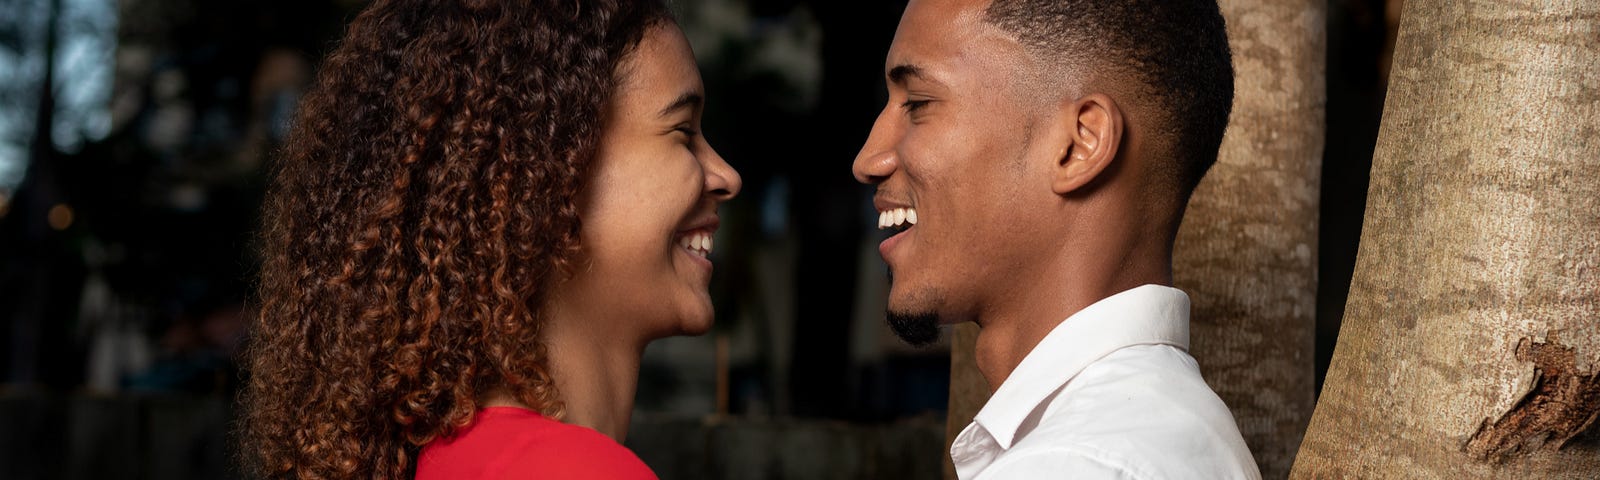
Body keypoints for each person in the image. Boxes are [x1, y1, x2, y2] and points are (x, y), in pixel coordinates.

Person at [241, 0, 741, 478]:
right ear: (545, 172)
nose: (726, 176)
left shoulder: (454, 458)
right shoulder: (570, 472)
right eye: (682, 131)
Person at [854, 0, 1259, 478]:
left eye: (918, 104)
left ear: (1078, 144)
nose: (868, 159)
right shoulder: (1164, 434)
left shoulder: (1077, 464)